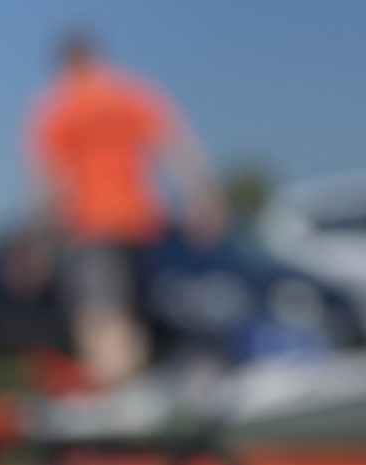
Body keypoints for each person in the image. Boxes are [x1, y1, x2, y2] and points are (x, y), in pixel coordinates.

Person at [21, 30, 223, 388]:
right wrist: (205, 199)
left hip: (91, 226)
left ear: (65, 63)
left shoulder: (59, 105)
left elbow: (46, 183)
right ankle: (135, 389)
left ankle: (119, 400)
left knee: (100, 317)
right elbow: (176, 144)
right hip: (140, 224)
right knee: (132, 316)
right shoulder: (131, 92)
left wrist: (36, 243)